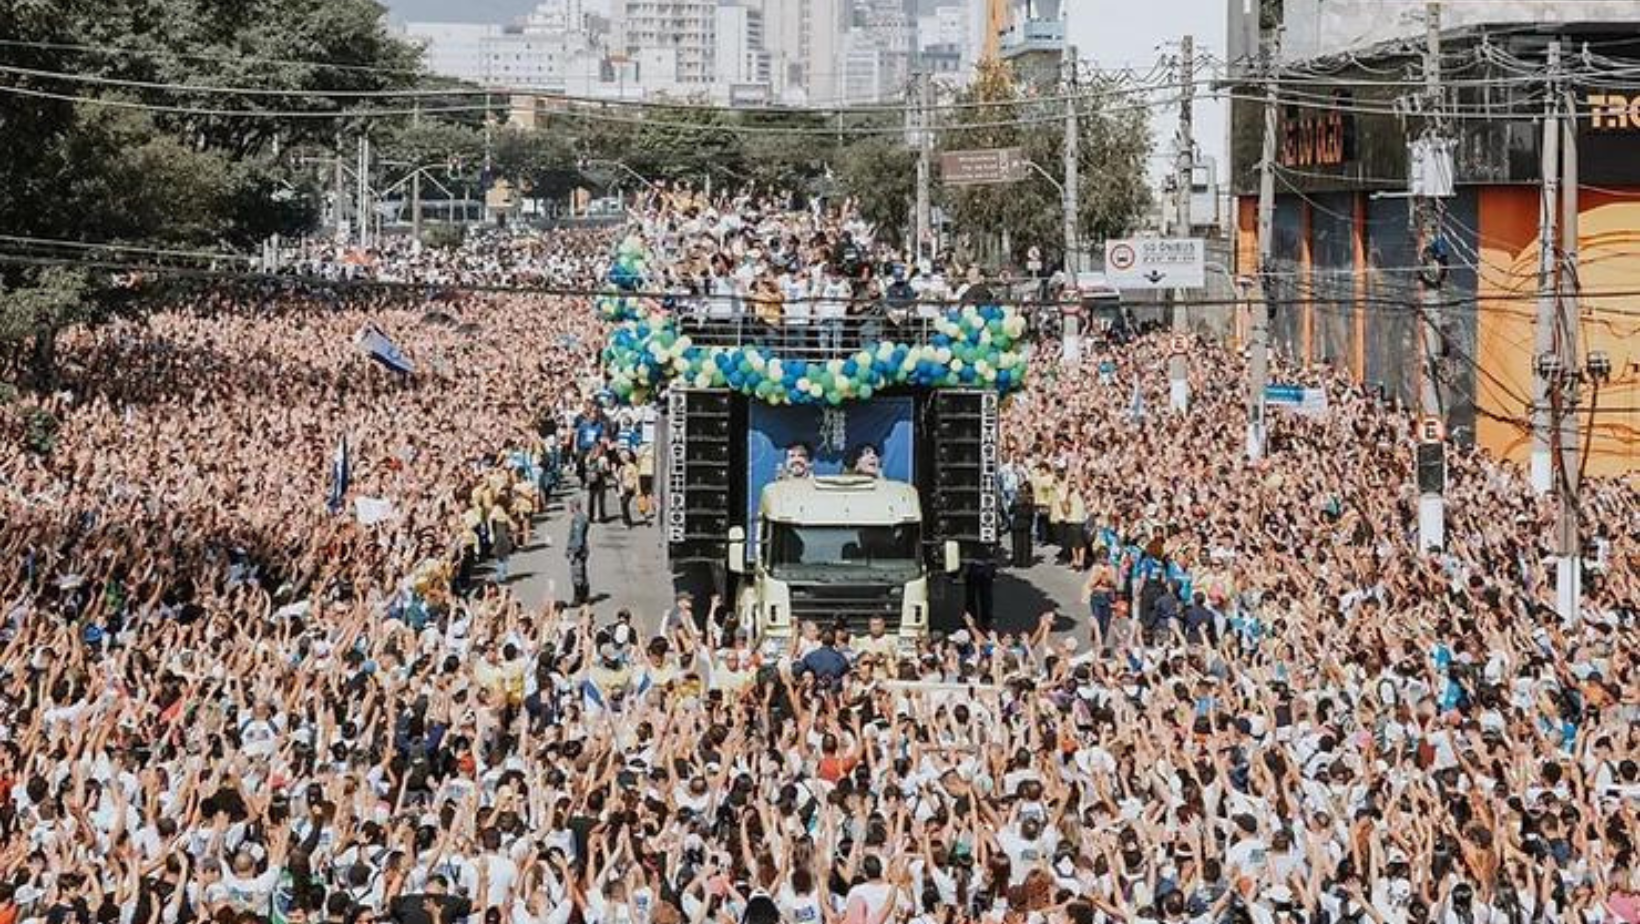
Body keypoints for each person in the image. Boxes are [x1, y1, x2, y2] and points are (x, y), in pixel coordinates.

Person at [566, 497, 591, 605]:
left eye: (570, 506)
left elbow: (577, 537)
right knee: (582, 573)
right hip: (583, 549)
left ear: (574, 506)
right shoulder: (583, 517)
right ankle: (585, 596)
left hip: (578, 550)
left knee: (577, 574)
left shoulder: (577, 519)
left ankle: (578, 598)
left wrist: (573, 551)